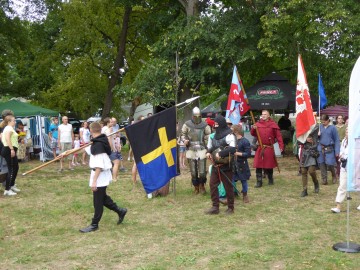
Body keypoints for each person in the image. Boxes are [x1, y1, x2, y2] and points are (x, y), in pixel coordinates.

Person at [79, 122, 127, 233]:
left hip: (99, 175)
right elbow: (85, 149)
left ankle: (94, 224)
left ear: (90, 131)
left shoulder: (99, 145)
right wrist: (67, 152)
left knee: (98, 201)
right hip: (99, 174)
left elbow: (99, 166)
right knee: (103, 198)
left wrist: (94, 182)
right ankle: (120, 211)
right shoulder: (99, 141)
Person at [205, 115, 236, 214]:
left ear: (222, 124)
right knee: (213, 185)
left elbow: (233, 148)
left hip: (226, 165)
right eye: (215, 124)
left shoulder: (230, 135)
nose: (215, 125)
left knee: (228, 187)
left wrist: (221, 153)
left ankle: (230, 208)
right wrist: (208, 152)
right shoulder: (213, 136)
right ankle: (215, 207)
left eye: (217, 124)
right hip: (216, 165)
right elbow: (210, 147)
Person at [181, 107, 211, 194]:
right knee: (193, 171)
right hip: (191, 148)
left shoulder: (205, 125)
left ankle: (202, 186)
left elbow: (209, 135)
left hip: (202, 148)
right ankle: (196, 187)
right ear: (193, 116)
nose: (197, 118)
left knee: (202, 171)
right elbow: (183, 134)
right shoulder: (187, 124)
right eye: (195, 116)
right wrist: (185, 140)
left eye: (198, 116)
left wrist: (205, 138)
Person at [251, 110, 284, 187]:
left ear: (268, 115)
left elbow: (279, 137)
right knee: (258, 165)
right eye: (262, 114)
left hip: (269, 148)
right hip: (260, 147)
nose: (263, 115)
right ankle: (259, 182)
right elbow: (253, 133)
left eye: (265, 114)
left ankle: (270, 179)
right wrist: (253, 128)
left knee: (269, 165)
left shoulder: (273, 125)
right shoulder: (257, 124)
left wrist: (281, 146)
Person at [0, 115, 20, 196]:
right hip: (8, 150)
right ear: (9, 122)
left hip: (9, 149)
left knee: (16, 167)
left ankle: (11, 185)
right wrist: (11, 149)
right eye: (14, 121)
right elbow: (7, 138)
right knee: (11, 169)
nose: (15, 122)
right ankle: (7, 189)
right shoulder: (8, 128)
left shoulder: (9, 128)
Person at [317, 114, 340, 185]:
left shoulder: (333, 128)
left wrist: (337, 150)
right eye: (322, 122)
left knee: (330, 164)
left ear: (328, 120)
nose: (323, 123)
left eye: (324, 122)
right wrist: (318, 135)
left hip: (329, 148)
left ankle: (334, 175)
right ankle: (324, 179)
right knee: (322, 164)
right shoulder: (319, 127)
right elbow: (314, 138)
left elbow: (336, 140)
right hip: (321, 147)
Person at [298, 125, 320, 197]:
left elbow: (316, 128)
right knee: (303, 171)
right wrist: (305, 138)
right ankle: (305, 190)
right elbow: (298, 140)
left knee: (311, 171)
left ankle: (316, 183)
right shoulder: (302, 129)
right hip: (304, 153)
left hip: (311, 153)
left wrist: (307, 134)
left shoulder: (314, 127)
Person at [331, 127, 349, 213]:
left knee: (357, 185)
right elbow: (341, 151)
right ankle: (338, 206)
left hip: (354, 166)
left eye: (349, 131)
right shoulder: (344, 141)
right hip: (344, 166)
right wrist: (341, 157)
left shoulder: (356, 141)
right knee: (342, 186)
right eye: (346, 130)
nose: (347, 132)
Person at [232, 124, 251, 203]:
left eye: (232, 130)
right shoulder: (232, 140)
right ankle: (232, 194)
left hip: (241, 163)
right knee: (231, 179)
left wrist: (237, 153)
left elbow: (248, 154)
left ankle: (245, 195)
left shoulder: (245, 141)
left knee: (243, 180)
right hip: (233, 163)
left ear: (236, 132)